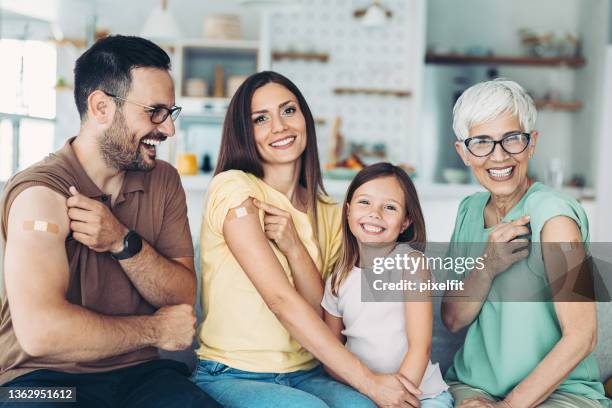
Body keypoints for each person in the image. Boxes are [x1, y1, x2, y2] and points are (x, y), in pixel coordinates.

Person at [0, 35, 219, 407]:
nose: (168, 130)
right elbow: (41, 334)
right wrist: (155, 330)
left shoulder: (162, 180)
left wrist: (122, 241)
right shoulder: (39, 194)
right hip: (41, 378)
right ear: (101, 107)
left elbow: (182, 298)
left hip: (142, 376)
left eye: (170, 113)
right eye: (154, 112)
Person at [192, 71, 420, 408]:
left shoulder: (330, 211)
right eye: (260, 119)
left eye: (288, 111)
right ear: (245, 132)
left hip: (307, 373)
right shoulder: (234, 189)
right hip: (231, 372)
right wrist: (369, 381)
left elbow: (324, 315)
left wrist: (295, 248)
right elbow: (280, 300)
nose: (279, 127)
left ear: (305, 119)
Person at [441, 79, 610, 407]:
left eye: (512, 139)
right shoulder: (468, 211)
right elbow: (453, 319)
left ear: (531, 144)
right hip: (474, 387)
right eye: (482, 142)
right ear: (463, 152)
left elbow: (582, 336)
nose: (499, 156)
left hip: (563, 392)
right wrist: (487, 266)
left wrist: (509, 406)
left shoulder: (557, 219)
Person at [322, 162, 454, 408]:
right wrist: (370, 389)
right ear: (348, 210)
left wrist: (397, 399)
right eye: (365, 202)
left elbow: (420, 348)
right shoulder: (338, 278)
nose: (375, 213)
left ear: (405, 222)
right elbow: (332, 355)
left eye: (390, 207)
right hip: (364, 393)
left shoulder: (411, 264)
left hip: (421, 394)